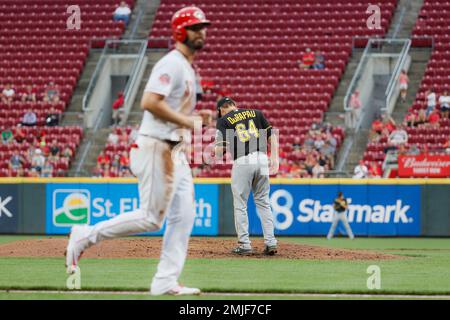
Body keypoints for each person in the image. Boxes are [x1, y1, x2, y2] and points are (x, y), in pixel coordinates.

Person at [65, 6, 211, 296]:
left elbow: (170, 107)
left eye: (203, 27)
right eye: (196, 27)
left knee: (184, 215)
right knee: (151, 218)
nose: (202, 32)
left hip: (174, 151)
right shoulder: (172, 63)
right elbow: (148, 102)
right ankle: (84, 235)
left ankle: (165, 281)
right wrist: (188, 121)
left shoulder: (186, 66)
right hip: (156, 147)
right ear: (181, 31)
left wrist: (196, 116)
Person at [214, 96, 278, 256]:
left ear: (221, 110)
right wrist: (274, 158)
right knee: (263, 202)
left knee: (240, 204)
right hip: (262, 158)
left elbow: (219, 151)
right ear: (235, 105)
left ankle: (244, 244)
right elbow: (273, 137)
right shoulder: (257, 113)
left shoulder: (223, 120)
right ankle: (271, 242)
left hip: (243, 161)